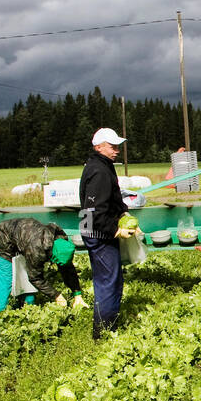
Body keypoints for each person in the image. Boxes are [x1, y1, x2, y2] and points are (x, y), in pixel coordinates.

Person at [80, 127, 137, 339]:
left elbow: (112, 199)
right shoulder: (99, 171)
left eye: (117, 146)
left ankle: (109, 325)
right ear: (99, 147)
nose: (116, 150)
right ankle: (103, 332)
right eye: (112, 146)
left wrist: (124, 214)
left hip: (97, 231)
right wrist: (115, 230)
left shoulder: (103, 166)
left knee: (112, 279)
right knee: (107, 282)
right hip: (98, 234)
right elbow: (93, 211)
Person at [0, 217, 86, 314]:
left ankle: (23, 309)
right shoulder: (36, 250)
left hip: (22, 239)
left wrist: (77, 294)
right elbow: (35, 278)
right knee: (4, 280)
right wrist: (57, 296)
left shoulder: (60, 242)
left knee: (28, 294)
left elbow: (67, 268)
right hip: (1, 241)